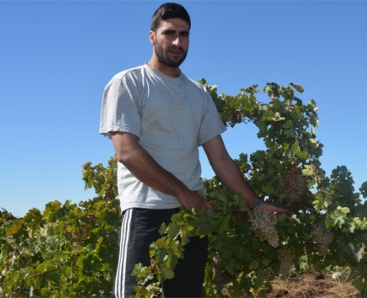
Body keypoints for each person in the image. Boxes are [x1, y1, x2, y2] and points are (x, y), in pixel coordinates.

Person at [99, 3, 287, 297]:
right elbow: (127, 152)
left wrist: (254, 203)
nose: (177, 42)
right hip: (145, 212)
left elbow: (220, 157)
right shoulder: (128, 83)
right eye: (169, 33)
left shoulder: (199, 94)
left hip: (192, 218)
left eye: (184, 34)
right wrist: (182, 192)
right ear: (152, 36)